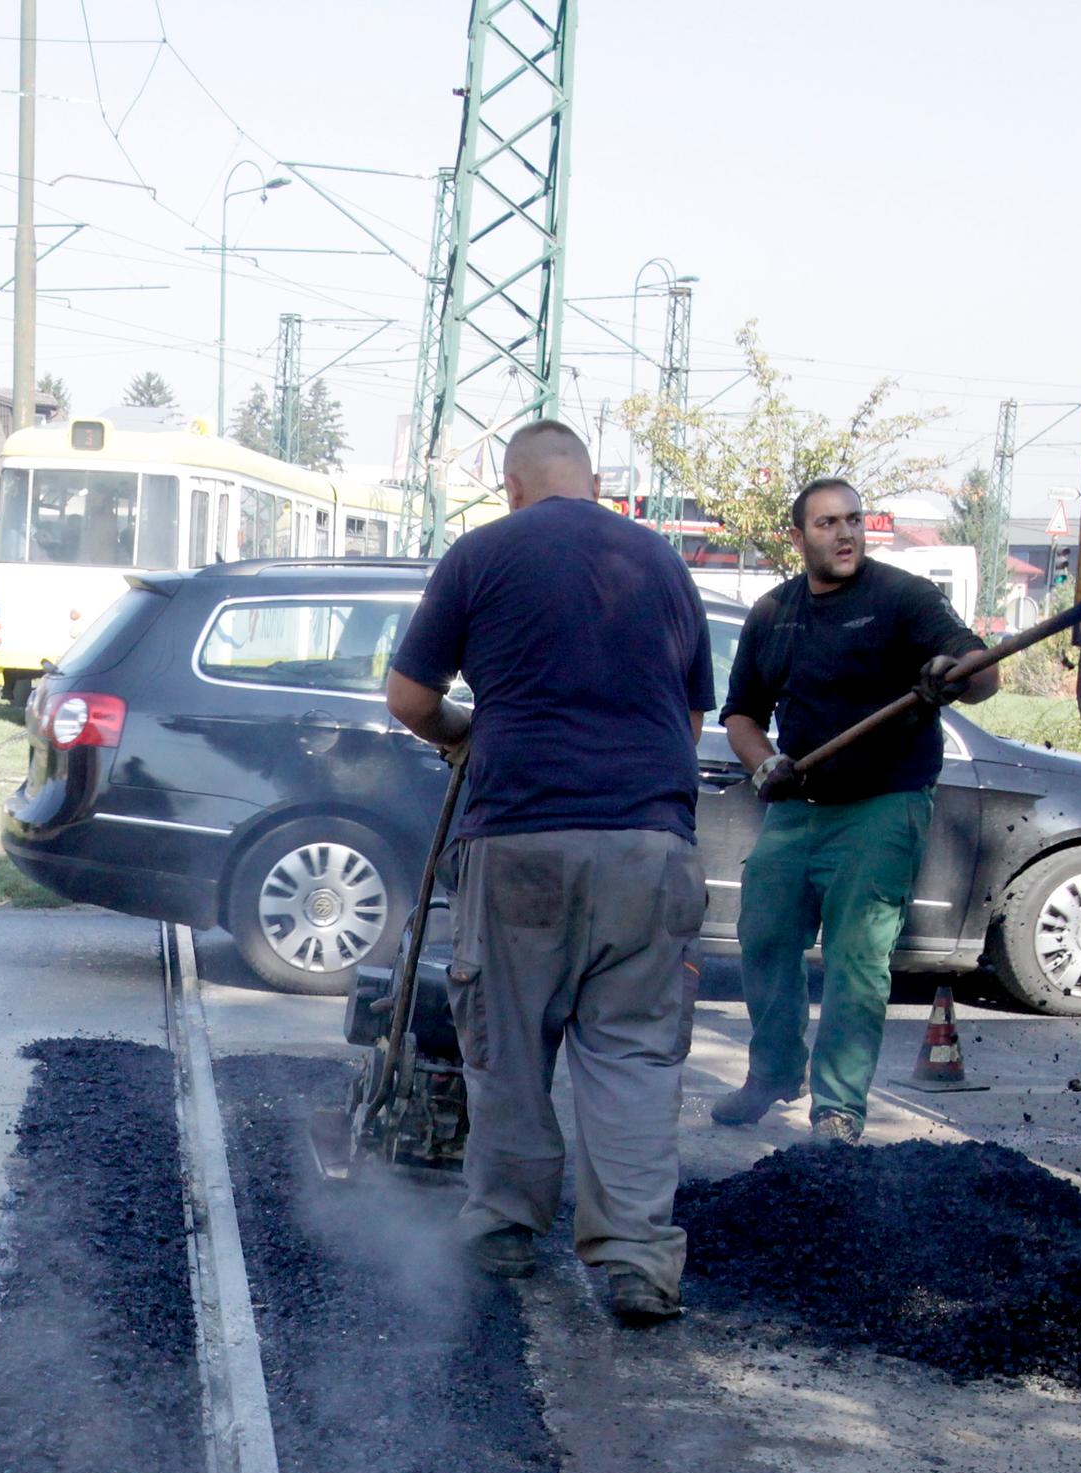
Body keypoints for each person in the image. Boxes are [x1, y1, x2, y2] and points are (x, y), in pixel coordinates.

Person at [382, 419, 719, 1325]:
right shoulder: (663, 563)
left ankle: (501, 1226)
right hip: (652, 847)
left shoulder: (481, 553)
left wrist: (465, 734)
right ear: (594, 480)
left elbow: (410, 698)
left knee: (509, 1043)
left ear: (512, 485)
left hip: (522, 839)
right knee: (637, 1056)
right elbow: (687, 728)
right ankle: (639, 1261)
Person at [707, 478, 994, 1141]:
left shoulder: (902, 599)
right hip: (797, 804)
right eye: (828, 523)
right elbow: (743, 713)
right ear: (798, 537)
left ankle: (838, 1108)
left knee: (856, 958)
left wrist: (953, 671)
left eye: (855, 520)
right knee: (765, 935)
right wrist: (763, 763)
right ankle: (774, 1072)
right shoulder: (773, 613)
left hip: (882, 806)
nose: (845, 534)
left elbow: (983, 674)